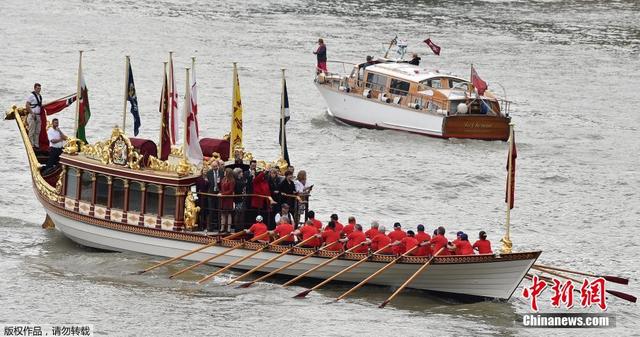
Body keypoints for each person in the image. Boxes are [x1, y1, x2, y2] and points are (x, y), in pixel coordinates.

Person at [206, 160, 224, 231]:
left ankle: (219, 227)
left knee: (219, 210)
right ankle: (211, 227)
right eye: (213, 167)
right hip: (211, 194)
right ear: (211, 166)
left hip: (219, 194)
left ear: (218, 166)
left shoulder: (221, 172)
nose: (215, 168)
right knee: (211, 210)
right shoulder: (209, 173)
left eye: (216, 166)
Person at [26, 83, 43, 149]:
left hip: (38, 115)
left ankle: (36, 144)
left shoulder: (40, 96)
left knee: (37, 131)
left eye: (40, 88)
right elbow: (27, 105)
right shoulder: (31, 96)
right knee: (32, 130)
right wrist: (32, 113)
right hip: (32, 115)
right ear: (34, 88)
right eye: (38, 88)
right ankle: (31, 144)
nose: (39, 90)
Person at [219, 168, 235, 233]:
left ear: (228, 173)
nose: (224, 173)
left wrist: (222, 194)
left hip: (228, 199)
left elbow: (230, 191)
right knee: (222, 213)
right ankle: (222, 228)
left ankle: (228, 229)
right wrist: (218, 183)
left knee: (228, 214)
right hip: (223, 199)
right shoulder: (223, 179)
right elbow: (221, 188)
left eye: (225, 172)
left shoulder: (232, 181)